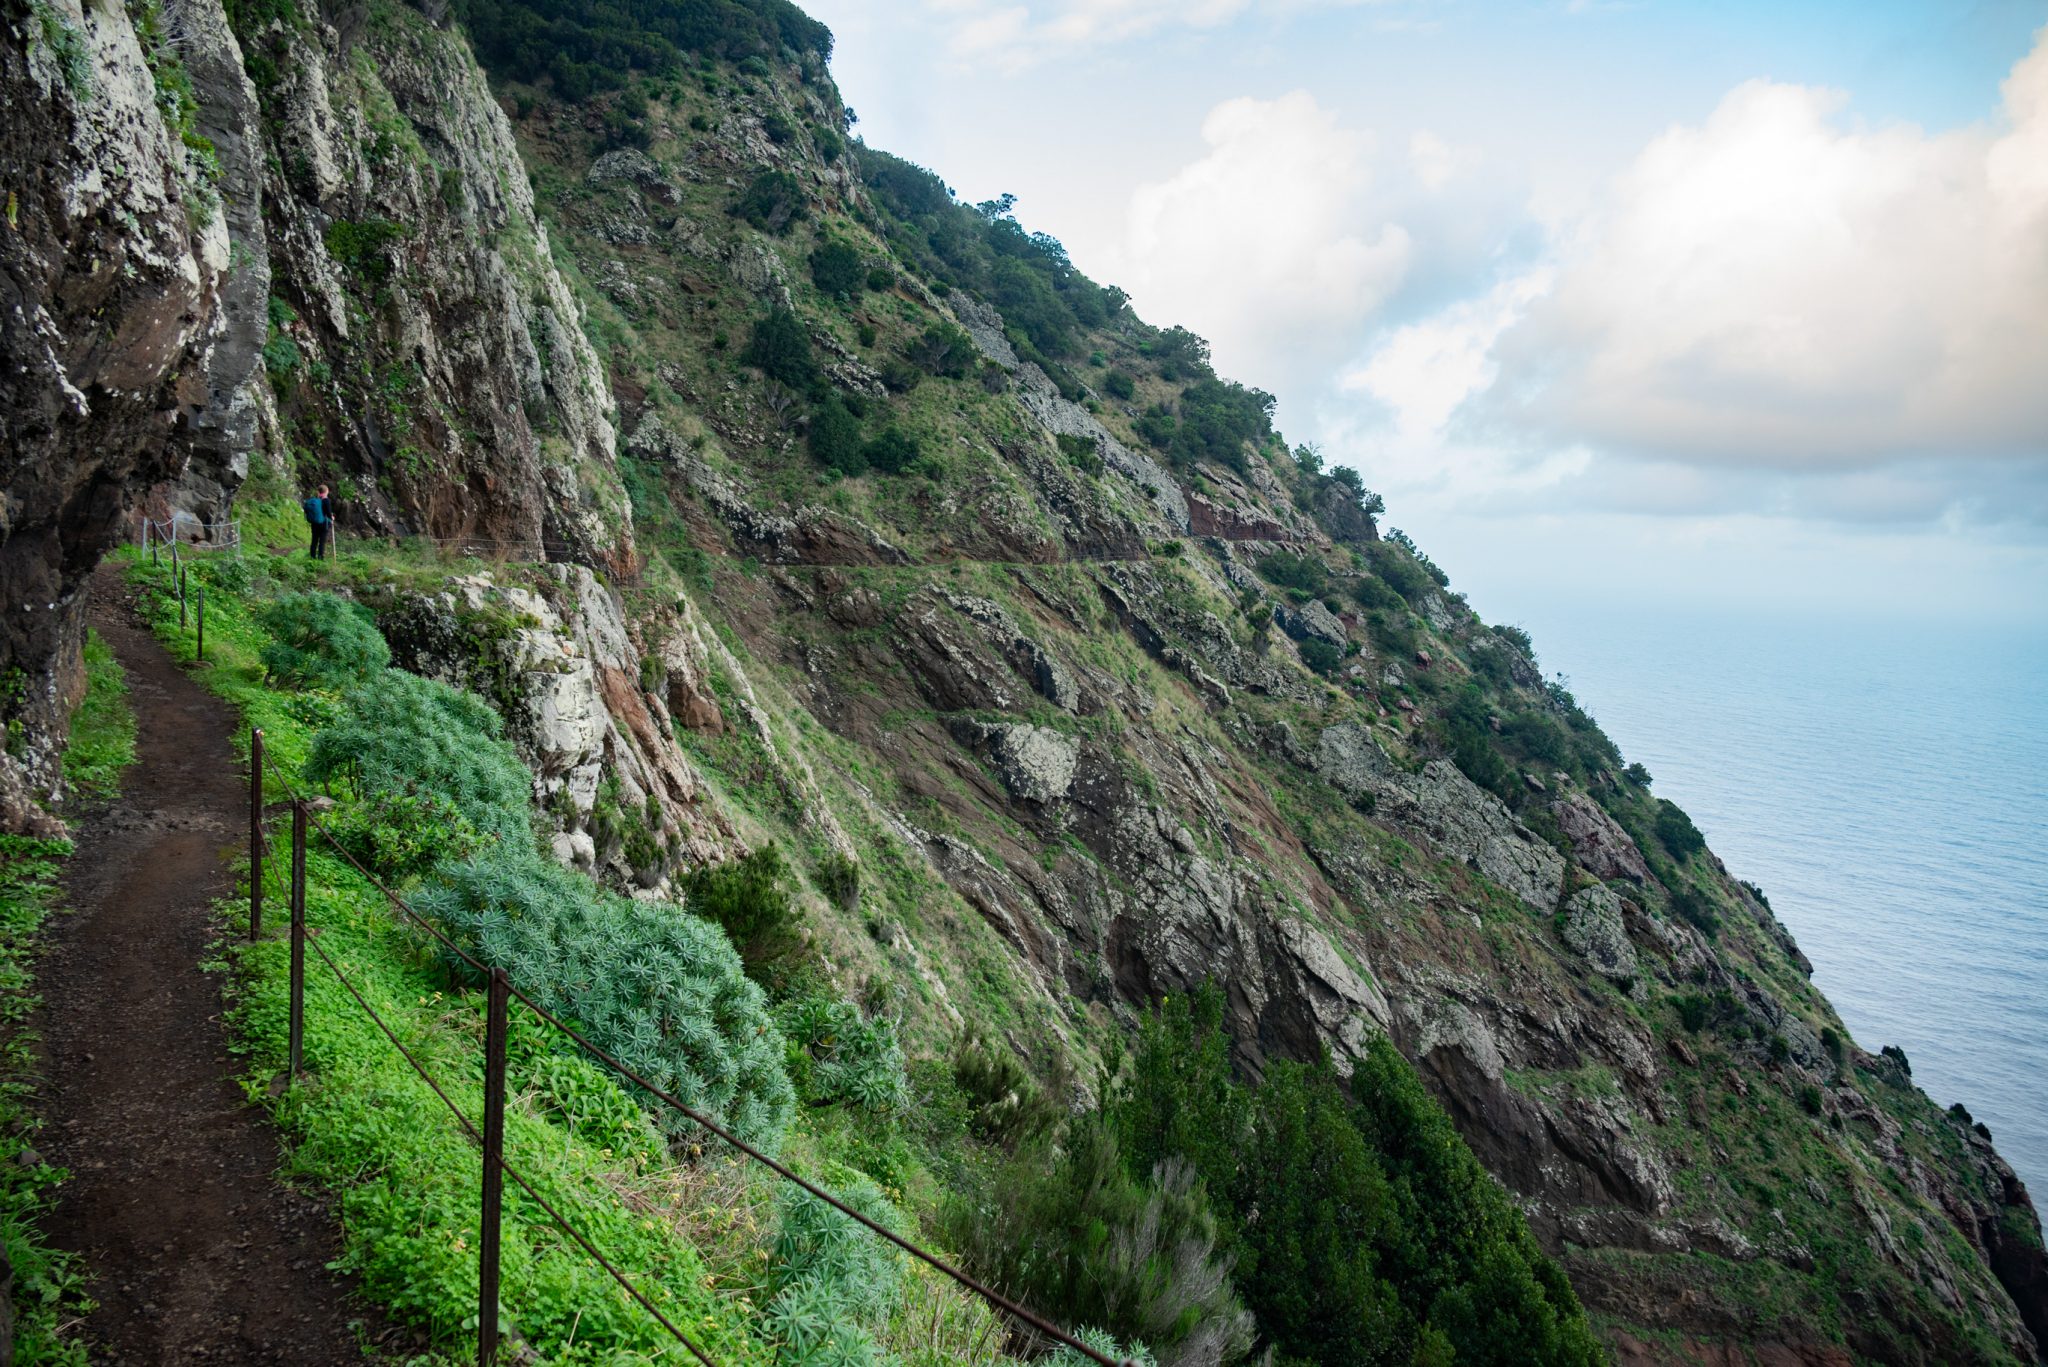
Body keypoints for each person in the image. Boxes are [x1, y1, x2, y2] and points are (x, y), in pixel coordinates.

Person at [301, 484, 331, 559]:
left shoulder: (315, 500)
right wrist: (332, 517)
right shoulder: (326, 500)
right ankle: (320, 557)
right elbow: (328, 513)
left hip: (314, 523)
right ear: (326, 491)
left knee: (314, 540)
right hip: (323, 524)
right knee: (322, 541)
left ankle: (312, 557)